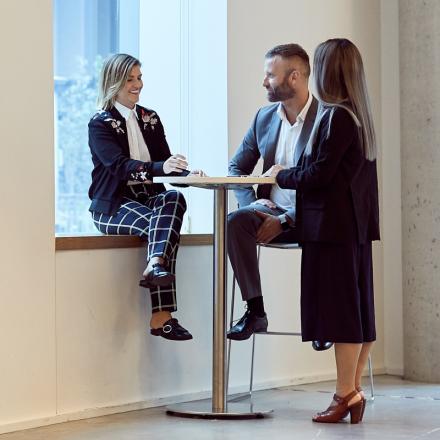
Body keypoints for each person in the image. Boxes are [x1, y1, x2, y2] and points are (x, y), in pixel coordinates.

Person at [265, 38, 380, 423]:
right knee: (359, 313)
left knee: (343, 314)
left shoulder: (336, 117)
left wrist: (284, 174)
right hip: (353, 228)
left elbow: (320, 174)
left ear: (327, 70)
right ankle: (352, 391)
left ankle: (344, 393)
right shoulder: (358, 116)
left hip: (332, 229)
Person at [88, 53, 203, 341]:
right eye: (130, 79)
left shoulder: (150, 118)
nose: (137, 84)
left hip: (149, 198)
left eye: (139, 77)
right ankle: (161, 316)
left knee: (174, 198)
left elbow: (163, 165)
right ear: (114, 82)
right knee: (163, 227)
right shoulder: (100, 123)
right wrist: (160, 168)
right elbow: (117, 166)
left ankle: (154, 264)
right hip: (113, 203)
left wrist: (186, 175)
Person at [227, 43, 329, 350]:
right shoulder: (264, 118)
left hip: (314, 217)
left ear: (294, 77)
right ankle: (255, 311)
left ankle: (323, 318)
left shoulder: (327, 119)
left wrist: (286, 221)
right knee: (235, 222)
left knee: (327, 229)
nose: (264, 82)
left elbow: (327, 185)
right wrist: (254, 205)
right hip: (268, 213)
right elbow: (236, 168)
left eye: (270, 75)